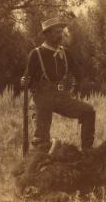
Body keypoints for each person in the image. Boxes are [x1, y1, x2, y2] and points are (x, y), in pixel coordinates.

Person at [21, 17, 95, 152]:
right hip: (42, 99)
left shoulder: (66, 53)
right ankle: (38, 166)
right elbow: (28, 78)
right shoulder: (36, 54)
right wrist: (25, 81)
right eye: (56, 32)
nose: (60, 35)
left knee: (88, 112)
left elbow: (79, 75)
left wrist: (75, 89)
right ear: (47, 34)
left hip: (62, 98)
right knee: (41, 141)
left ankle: (87, 153)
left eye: (61, 32)